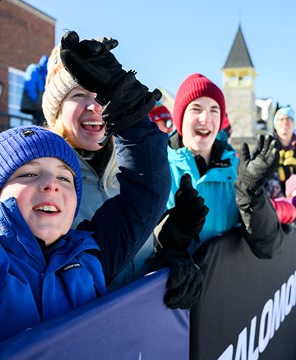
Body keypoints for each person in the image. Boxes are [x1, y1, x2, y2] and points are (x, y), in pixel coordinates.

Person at [44, 32, 205, 308]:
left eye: (100, 96)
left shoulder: (130, 166)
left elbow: (134, 247)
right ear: (57, 109)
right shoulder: (45, 181)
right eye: (80, 94)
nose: (95, 106)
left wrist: (168, 252)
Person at [169, 73, 281, 257]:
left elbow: (268, 247)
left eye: (214, 110)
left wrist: (251, 195)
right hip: (170, 284)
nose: (205, 118)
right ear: (180, 118)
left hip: (224, 283)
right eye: (196, 109)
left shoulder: (238, 171)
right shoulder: (157, 167)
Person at [272, 106, 296, 193]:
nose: (285, 123)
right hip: (271, 201)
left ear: (293, 124)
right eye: (281, 119)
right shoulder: (266, 148)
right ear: (275, 124)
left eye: (289, 119)